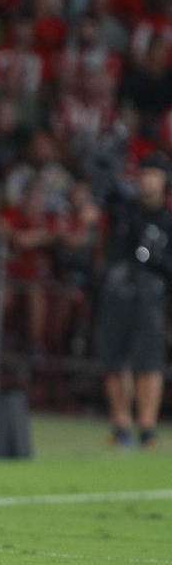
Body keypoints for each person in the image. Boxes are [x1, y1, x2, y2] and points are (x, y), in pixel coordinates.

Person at [97, 153, 172, 448]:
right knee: (114, 359)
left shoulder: (167, 221)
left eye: (153, 175)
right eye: (143, 175)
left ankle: (147, 429)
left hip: (152, 295)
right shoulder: (124, 211)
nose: (147, 181)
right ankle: (121, 426)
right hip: (118, 291)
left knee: (149, 361)